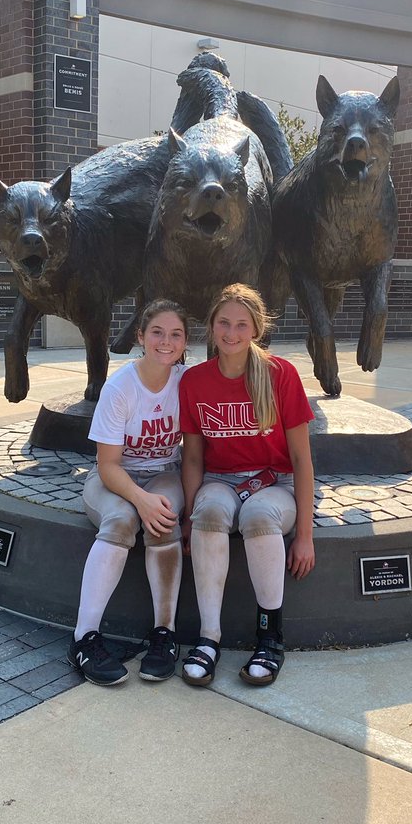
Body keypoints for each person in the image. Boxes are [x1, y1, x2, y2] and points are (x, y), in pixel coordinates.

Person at [178, 283, 316, 689]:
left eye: (241, 324)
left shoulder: (280, 375)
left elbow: (302, 459)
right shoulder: (194, 381)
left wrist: (304, 535)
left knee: (257, 516)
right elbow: (192, 458)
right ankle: (208, 638)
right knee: (209, 512)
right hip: (220, 480)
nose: (231, 332)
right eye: (224, 323)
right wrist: (188, 517)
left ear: (256, 328)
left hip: (276, 482)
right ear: (211, 326)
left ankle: (270, 637)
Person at [68, 300, 189, 686]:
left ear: (185, 342)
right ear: (140, 336)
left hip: (164, 472)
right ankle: (84, 638)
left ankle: (165, 634)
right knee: (122, 520)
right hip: (115, 475)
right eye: (157, 332)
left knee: (164, 516)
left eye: (175, 334)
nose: (166, 341)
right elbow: (108, 465)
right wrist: (140, 500)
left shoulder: (186, 382)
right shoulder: (120, 387)